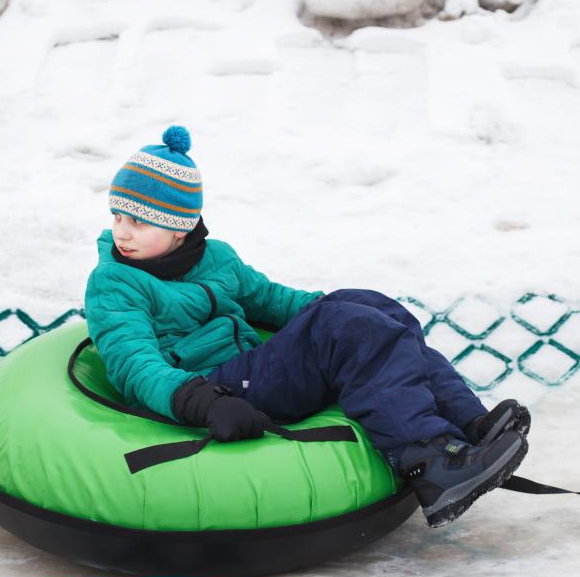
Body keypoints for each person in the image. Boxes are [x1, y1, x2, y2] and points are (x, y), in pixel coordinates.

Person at [84, 125, 530, 527]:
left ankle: (469, 425)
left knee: (373, 309)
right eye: (118, 216)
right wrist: (202, 402)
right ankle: (428, 461)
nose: (122, 233)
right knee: (348, 326)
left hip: (249, 364)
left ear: (179, 228)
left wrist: (338, 307)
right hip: (211, 387)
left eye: (138, 221)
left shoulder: (215, 258)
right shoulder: (115, 283)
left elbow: (270, 299)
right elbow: (133, 363)